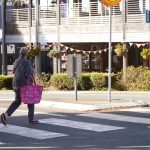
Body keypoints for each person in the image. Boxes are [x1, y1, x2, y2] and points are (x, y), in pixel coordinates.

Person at [0, 47, 39, 126]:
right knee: (30, 102)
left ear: (20, 53)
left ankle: (6, 114)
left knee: (17, 101)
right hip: (24, 86)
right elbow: (28, 74)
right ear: (26, 53)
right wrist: (33, 71)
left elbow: (14, 72)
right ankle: (31, 120)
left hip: (16, 85)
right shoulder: (26, 62)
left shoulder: (16, 61)